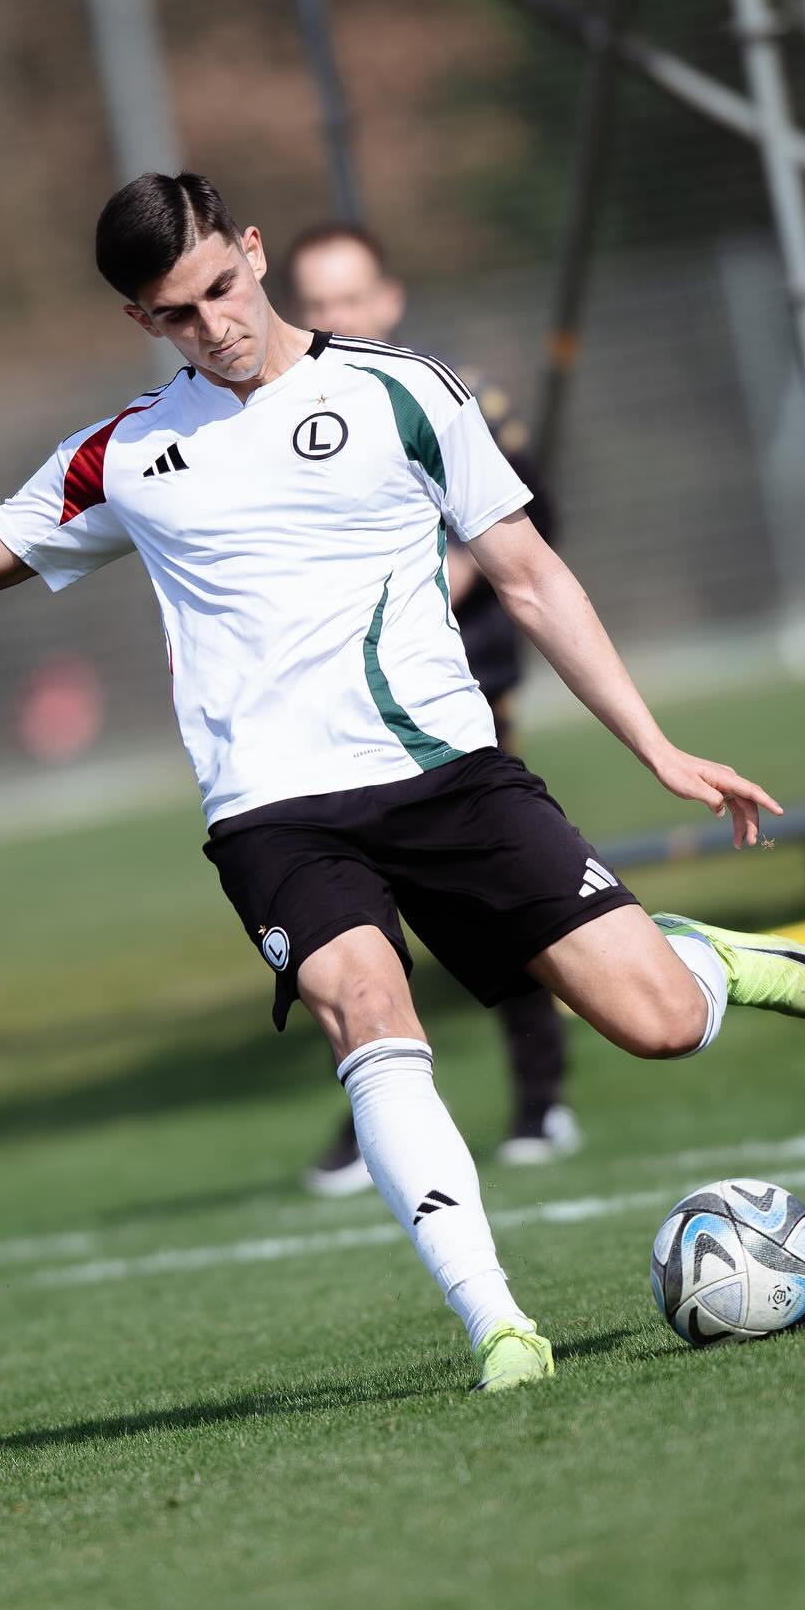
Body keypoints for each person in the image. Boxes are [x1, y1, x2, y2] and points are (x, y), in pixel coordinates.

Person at [0, 172, 805, 1395]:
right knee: (366, 1006)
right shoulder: (123, 456)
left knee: (659, 1025)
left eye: (222, 287)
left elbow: (529, 577)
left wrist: (656, 747)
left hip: (446, 774)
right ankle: (499, 1325)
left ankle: (694, 960)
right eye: (177, 313)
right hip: (275, 813)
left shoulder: (406, 391)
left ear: (252, 251)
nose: (215, 325)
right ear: (142, 321)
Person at [284, 222, 577, 1192]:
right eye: (317, 304)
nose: (335, 319)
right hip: (334, 713)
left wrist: (431, 581)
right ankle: (379, 1117)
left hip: (454, 692)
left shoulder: (452, 397)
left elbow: (529, 527)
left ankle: (541, 1099)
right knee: (355, 914)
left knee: (491, 898)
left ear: (389, 300)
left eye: (350, 299)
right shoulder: (274, 421)